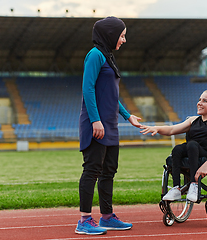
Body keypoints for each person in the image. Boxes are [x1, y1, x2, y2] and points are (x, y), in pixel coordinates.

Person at [76, 16, 142, 235]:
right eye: (122, 35)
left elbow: (112, 96)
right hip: (97, 124)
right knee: (92, 170)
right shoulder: (94, 55)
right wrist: (95, 120)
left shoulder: (108, 56)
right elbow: (88, 89)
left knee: (109, 171)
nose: (124, 40)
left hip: (110, 125)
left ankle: (107, 217)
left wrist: (127, 116)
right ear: (111, 34)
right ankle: (84, 220)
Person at [140, 90, 207, 202]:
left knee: (192, 145)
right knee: (178, 149)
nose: (199, 103)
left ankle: (194, 185)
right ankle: (176, 188)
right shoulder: (193, 120)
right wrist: (156, 128)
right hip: (193, 152)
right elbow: (171, 130)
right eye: (199, 100)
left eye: (204, 101)